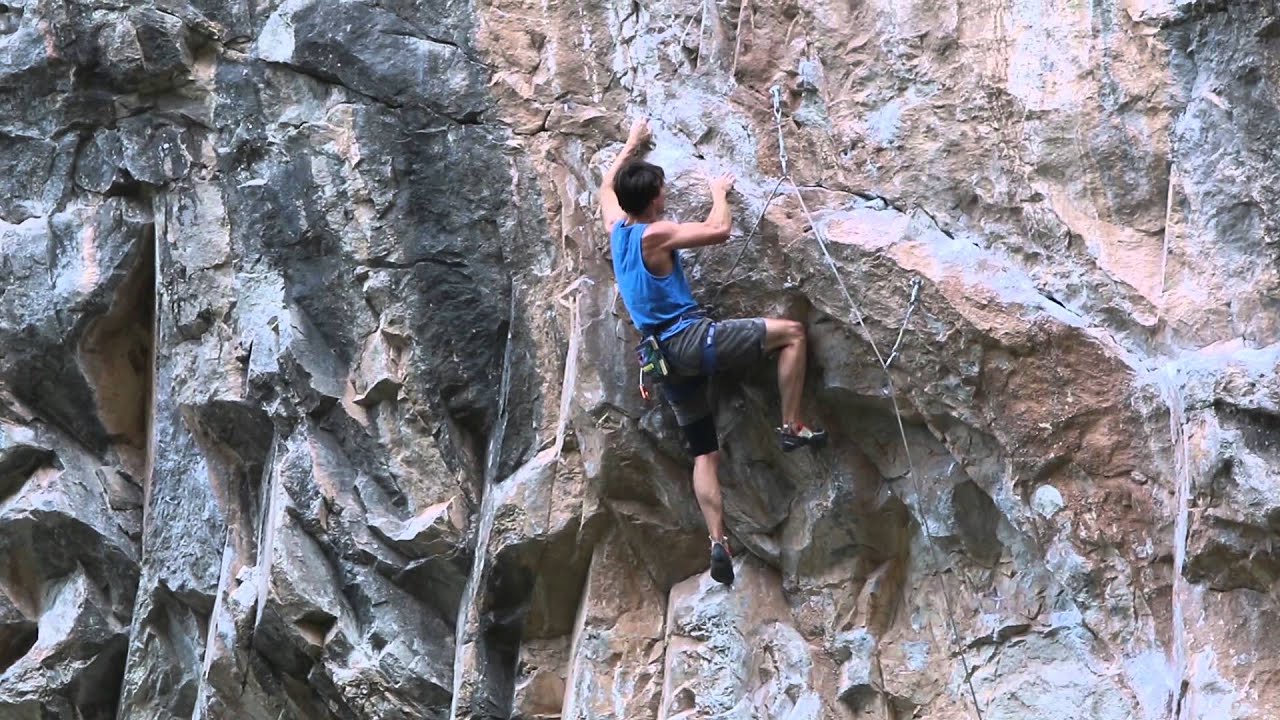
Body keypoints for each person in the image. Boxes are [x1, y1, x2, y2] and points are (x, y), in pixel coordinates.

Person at [599, 117, 827, 586]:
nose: (665, 195)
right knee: (793, 334)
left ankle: (717, 541)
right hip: (689, 342)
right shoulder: (653, 234)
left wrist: (631, 144)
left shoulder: (616, 229)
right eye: (661, 190)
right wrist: (719, 190)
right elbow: (719, 230)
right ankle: (791, 426)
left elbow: (607, 182)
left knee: (705, 453)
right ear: (653, 200)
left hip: (660, 359)